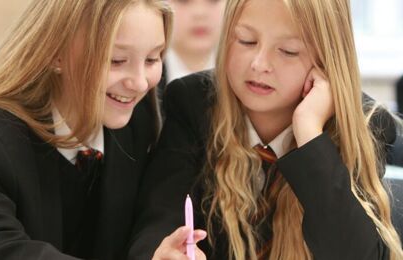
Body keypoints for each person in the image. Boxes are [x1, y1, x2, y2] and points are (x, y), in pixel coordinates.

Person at [128, 0, 403, 259]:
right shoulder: (193, 104)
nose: (259, 64)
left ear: (327, 59)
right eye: (246, 40)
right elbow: (156, 224)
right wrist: (162, 252)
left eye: (288, 51)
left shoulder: (365, 123)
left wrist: (309, 132)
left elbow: (355, 254)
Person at [0, 0, 172, 259]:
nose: (140, 83)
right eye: (116, 60)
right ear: (55, 53)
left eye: (152, 59)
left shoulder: (134, 120)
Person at [156, 0, 225, 115]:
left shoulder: (244, 77)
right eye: (184, 1)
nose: (200, 13)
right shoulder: (143, 83)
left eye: (213, 0)